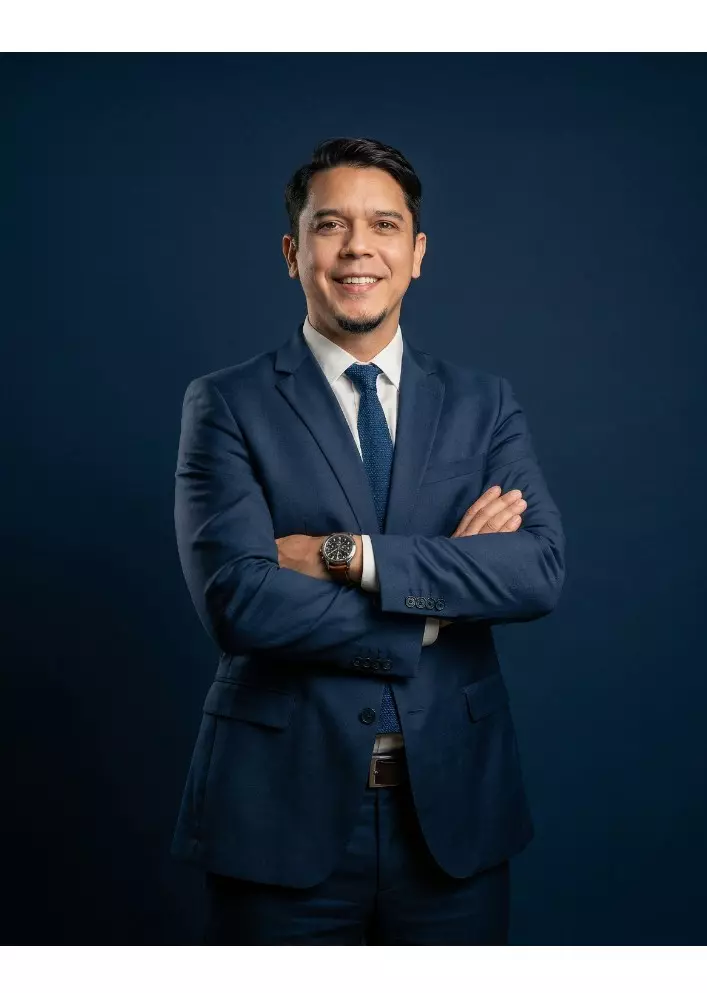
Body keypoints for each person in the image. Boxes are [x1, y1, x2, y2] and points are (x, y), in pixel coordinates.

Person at [170, 136, 565, 944]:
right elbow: (239, 601)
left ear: (415, 254)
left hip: (454, 814)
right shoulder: (226, 403)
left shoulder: (483, 404)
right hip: (276, 813)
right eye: (330, 225)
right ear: (293, 252)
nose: (357, 247)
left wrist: (347, 556)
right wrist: (439, 605)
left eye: (383, 225)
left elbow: (535, 568)